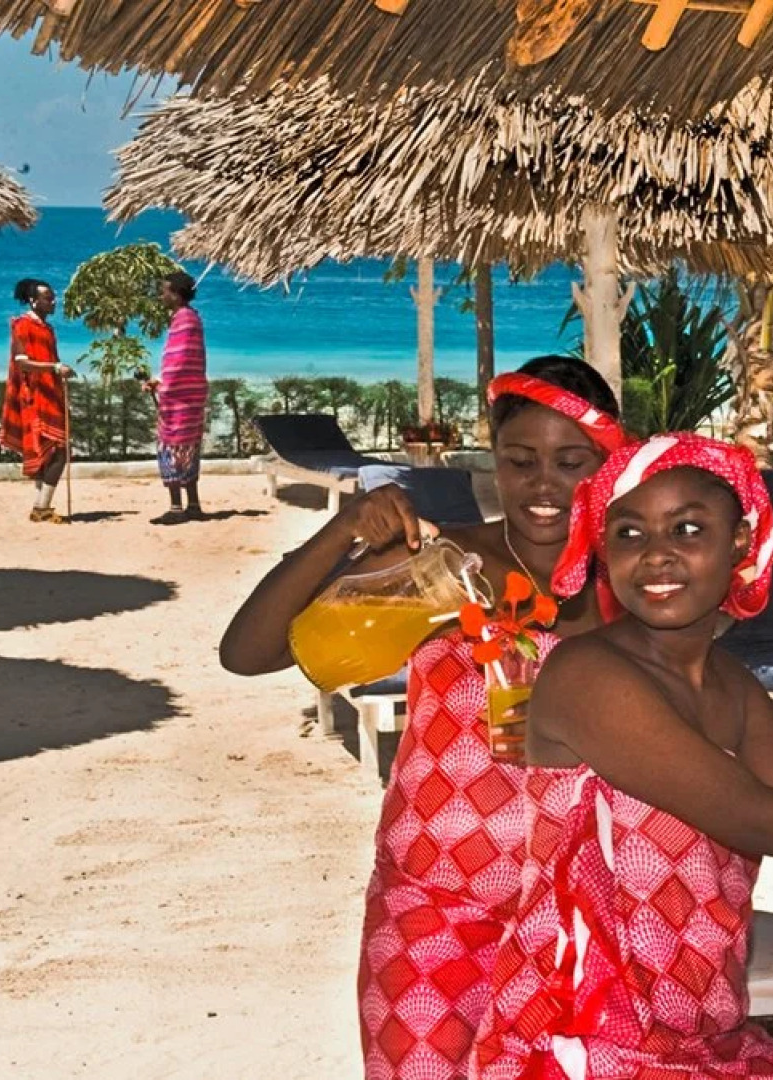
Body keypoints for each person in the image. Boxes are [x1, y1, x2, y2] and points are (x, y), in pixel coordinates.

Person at [473, 433, 773, 1080]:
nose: (657, 555)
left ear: (740, 543)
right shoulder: (590, 675)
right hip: (582, 1039)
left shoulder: (730, 684)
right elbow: (758, 818)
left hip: (700, 1033)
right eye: (630, 535)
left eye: (688, 529)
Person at [218, 356, 625, 1080]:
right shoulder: (443, 566)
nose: (542, 484)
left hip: (585, 913)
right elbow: (248, 653)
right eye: (519, 460)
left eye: (571, 462)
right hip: (432, 906)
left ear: (609, 463)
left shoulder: (636, 584)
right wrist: (342, 530)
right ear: (492, 461)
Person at [0, 278, 74, 523]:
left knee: (51, 452)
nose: (54, 302)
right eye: (48, 298)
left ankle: (41, 506)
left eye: (53, 297)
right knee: (58, 452)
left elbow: (51, 360)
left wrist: (58, 374)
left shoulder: (48, 329)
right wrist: (54, 367)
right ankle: (42, 507)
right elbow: (22, 363)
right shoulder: (22, 325)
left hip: (51, 394)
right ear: (33, 300)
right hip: (34, 396)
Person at [146, 270, 210, 524]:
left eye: (165, 291)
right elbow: (184, 359)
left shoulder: (183, 319)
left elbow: (180, 358)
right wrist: (161, 380)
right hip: (191, 395)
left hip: (179, 398)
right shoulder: (192, 318)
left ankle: (176, 508)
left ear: (176, 294)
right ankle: (193, 504)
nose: (162, 296)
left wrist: (163, 387)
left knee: (171, 445)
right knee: (189, 447)